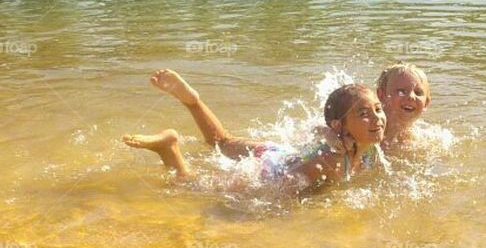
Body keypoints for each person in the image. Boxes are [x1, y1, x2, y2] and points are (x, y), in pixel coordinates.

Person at [122, 70, 386, 192]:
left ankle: (191, 101)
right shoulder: (334, 161)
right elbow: (286, 189)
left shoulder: (367, 148)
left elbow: (319, 131)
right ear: (339, 125)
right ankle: (168, 148)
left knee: (221, 142)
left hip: (278, 153)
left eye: (378, 109)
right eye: (363, 114)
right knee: (189, 186)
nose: (377, 118)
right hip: (270, 169)